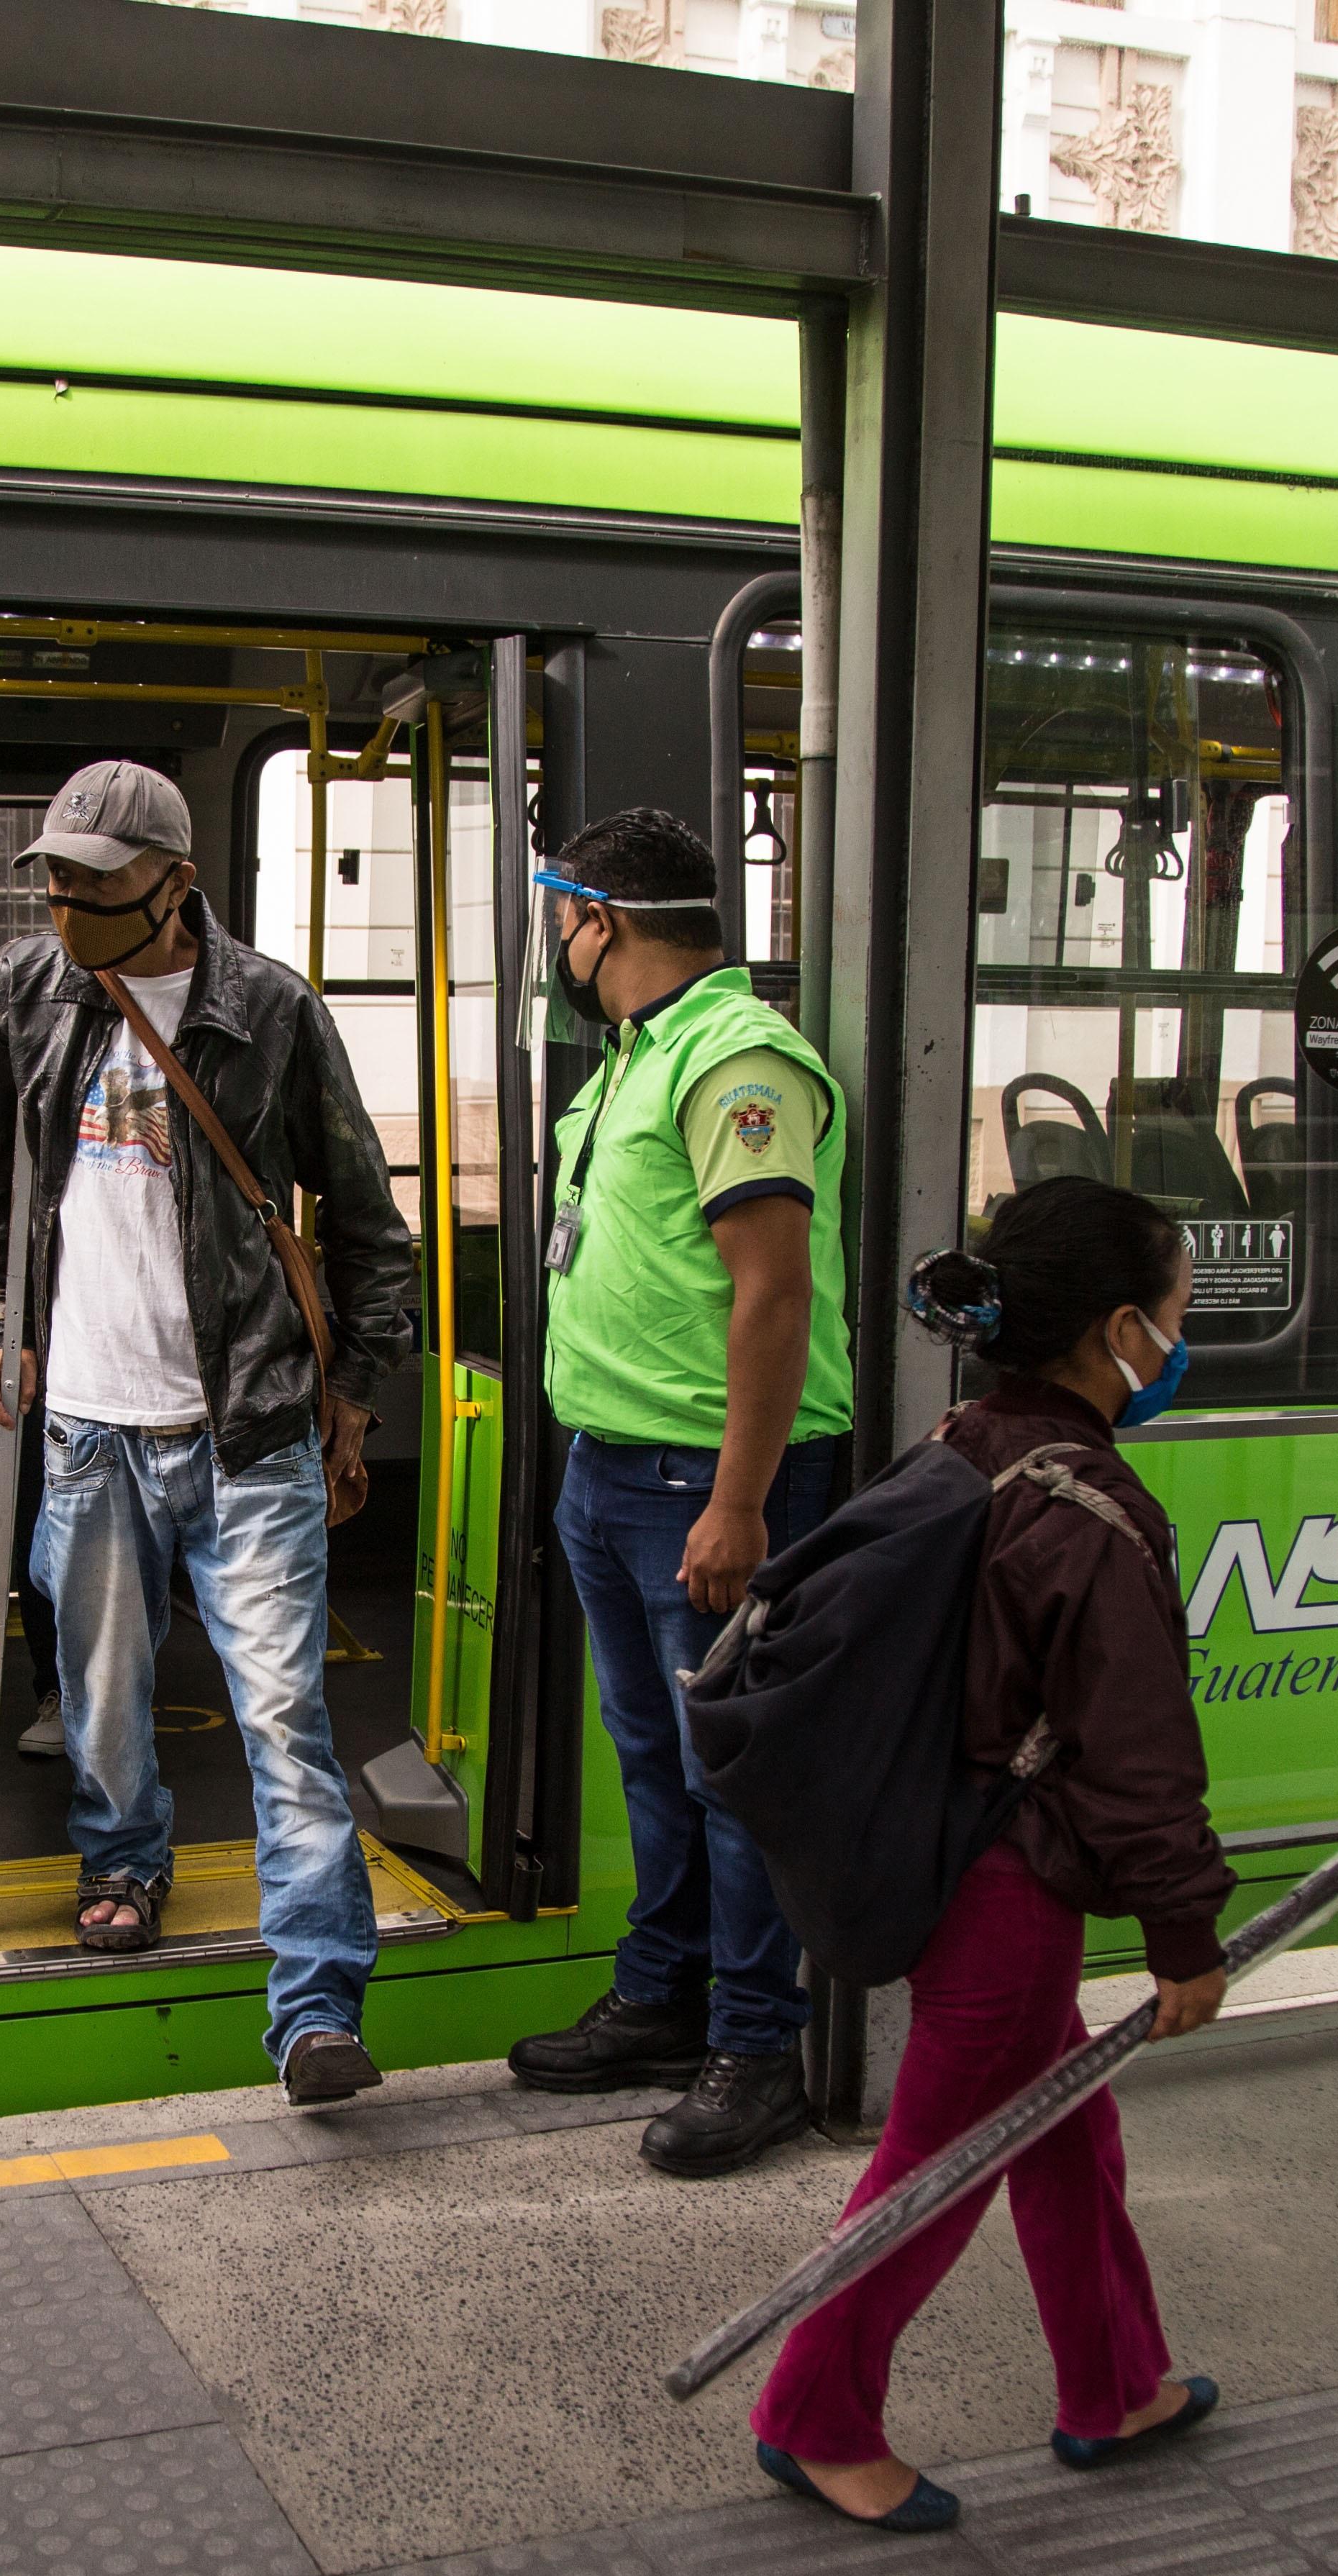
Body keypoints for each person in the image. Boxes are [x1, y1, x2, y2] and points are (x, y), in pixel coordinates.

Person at [749, 1175, 1237, 2531]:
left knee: (1064, 2127)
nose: (1178, 1344)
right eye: (1177, 1316)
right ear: (1121, 1330)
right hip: (1012, 1889)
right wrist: (1186, 1937)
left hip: (958, 1848)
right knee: (943, 2162)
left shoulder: (969, 1439)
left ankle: (1116, 2383)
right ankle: (814, 2412)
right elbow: (1137, 1756)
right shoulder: (1091, 1508)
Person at [0, 758, 421, 2105]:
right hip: (85, 1424)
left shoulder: (268, 1013)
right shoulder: (17, 996)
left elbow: (371, 1221)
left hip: (248, 1427)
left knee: (283, 1717)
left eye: (94, 880)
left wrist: (355, 1393)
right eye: (55, 877)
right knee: (99, 1697)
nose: (66, 900)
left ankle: (317, 2000)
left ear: (174, 883)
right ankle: (122, 1866)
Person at [501, 806, 853, 2177]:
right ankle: (667, 1995)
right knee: (657, 1762)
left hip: (700, 1485)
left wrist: (741, 1502)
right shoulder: (640, 1056)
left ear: (606, 920)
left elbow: (773, 1290)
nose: (565, 948)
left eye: (566, 921)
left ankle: (756, 2048)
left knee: (735, 1781)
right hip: (611, 1472)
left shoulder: (736, 1058)